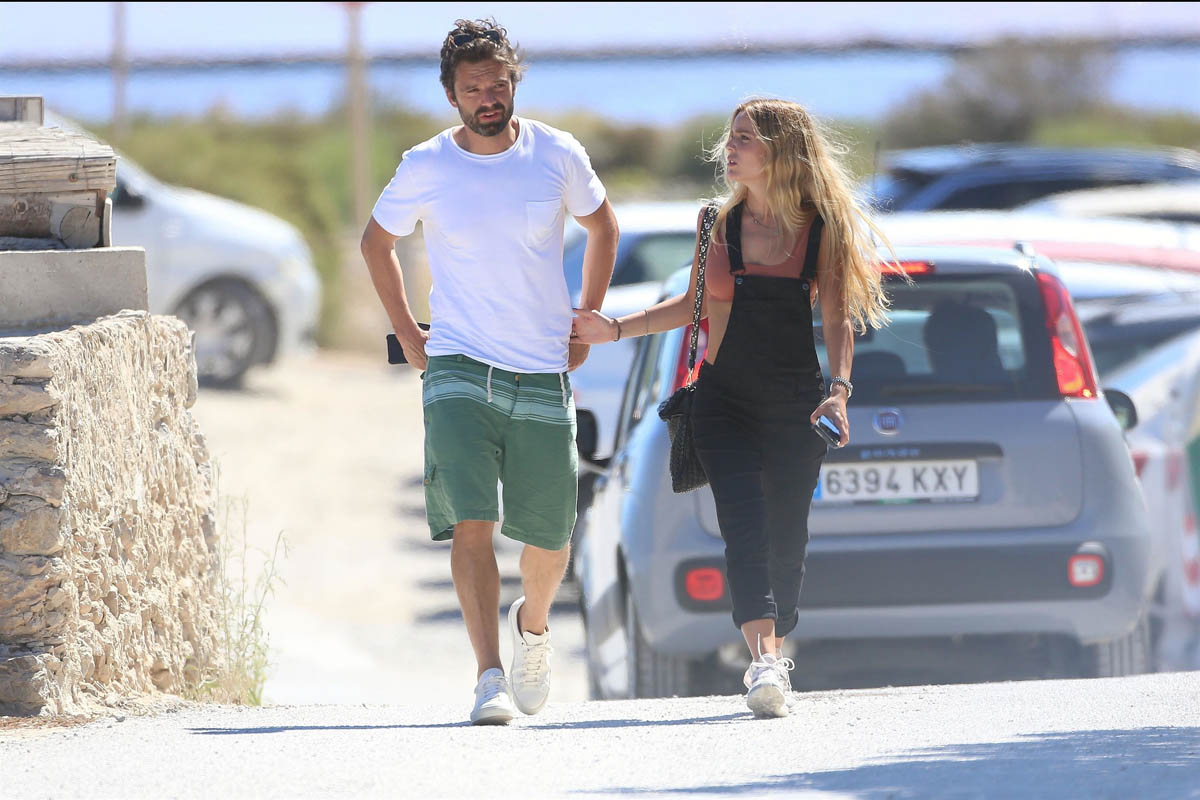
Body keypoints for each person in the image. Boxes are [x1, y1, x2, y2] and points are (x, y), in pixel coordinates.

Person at [572, 98, 893, 718]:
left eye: (745, 138)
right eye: (731, 136)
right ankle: (764, 662)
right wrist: (614, 329)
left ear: (779, 150)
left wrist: (840, 390)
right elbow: (690, 304)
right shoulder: (714, 224)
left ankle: (776, 645)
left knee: (786, 537)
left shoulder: (820, 228)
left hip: (797, 405)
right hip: (724, 402)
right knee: (743, 526)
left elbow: (836, 318)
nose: (730, 148)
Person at [360, 18, 619, 725]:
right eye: (473, 88)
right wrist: (407, 329)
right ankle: (489, 676)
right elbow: (377, 243)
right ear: (452, 95)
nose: (488, 98)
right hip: (457, 365)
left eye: (499, 84)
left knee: (551, 536)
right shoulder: (426, 165)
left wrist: (587, 317)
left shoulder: (556, 153)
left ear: (514, 84)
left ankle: (532, 628)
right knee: (471, 522)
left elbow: (603, 227)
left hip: (541, 364)